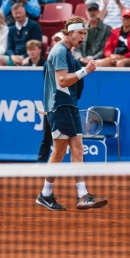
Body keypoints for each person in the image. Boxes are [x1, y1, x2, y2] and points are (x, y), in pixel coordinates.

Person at [36, 16, 108, 211]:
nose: (83, 37)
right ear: (69, 32)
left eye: (85, 33)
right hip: (60, 107)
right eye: (80, 33)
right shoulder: (59, 50)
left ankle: (83, 195)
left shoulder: (67, 52)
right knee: (59, 152)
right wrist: (86, 70)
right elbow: (63, 81)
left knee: (78, 149)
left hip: (70, 106)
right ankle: (45, 194)